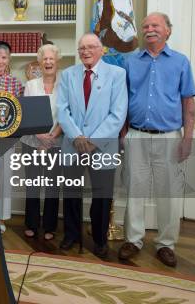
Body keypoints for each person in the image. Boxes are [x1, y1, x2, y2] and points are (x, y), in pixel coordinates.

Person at [119, 12, 195, 267]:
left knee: (169, 194)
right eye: (145, 26)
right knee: (134, 190)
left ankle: (166, 244)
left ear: (167, 31)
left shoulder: (181, 62)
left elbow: (188, 103)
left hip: (169, 138)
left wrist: (187, 139)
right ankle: (133, 239)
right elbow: (122, 101)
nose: (149, 29)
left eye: (155, 25)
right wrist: (123, 134)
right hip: (136, 136)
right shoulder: (130, 62)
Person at [56, 33, 127, 259]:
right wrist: (77, 136)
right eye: (81, 48)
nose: (85, 51)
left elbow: (118, 114)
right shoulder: (68, 75)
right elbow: (62, 110)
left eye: (91, 47)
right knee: (71, 194)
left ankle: (100, 239)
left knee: (102, 197)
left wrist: (94, 141)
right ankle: (71, 235)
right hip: (72, 145)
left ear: (101, 50)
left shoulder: (117, 74)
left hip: (103, 147)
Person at [20, 44, 63, 240]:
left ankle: (49, 226)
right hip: (32, 141)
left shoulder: (65, 84)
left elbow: (66, 113)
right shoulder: (31, 85)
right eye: (44, 59)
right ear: (39, 62)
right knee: (33, 184)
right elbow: (27, 113)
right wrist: (40, 136)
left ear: (57, 61)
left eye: (51, 58)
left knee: (53, 185)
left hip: (57, 141)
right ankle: (31, 223)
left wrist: (53, 135)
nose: (48, 62)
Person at [0, 41, 24, 233]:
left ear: (8, 60)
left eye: (3, 57)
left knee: (3, 179)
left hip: (6, 139)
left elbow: (20, 113)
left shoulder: (15, 83)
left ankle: (0, 219)